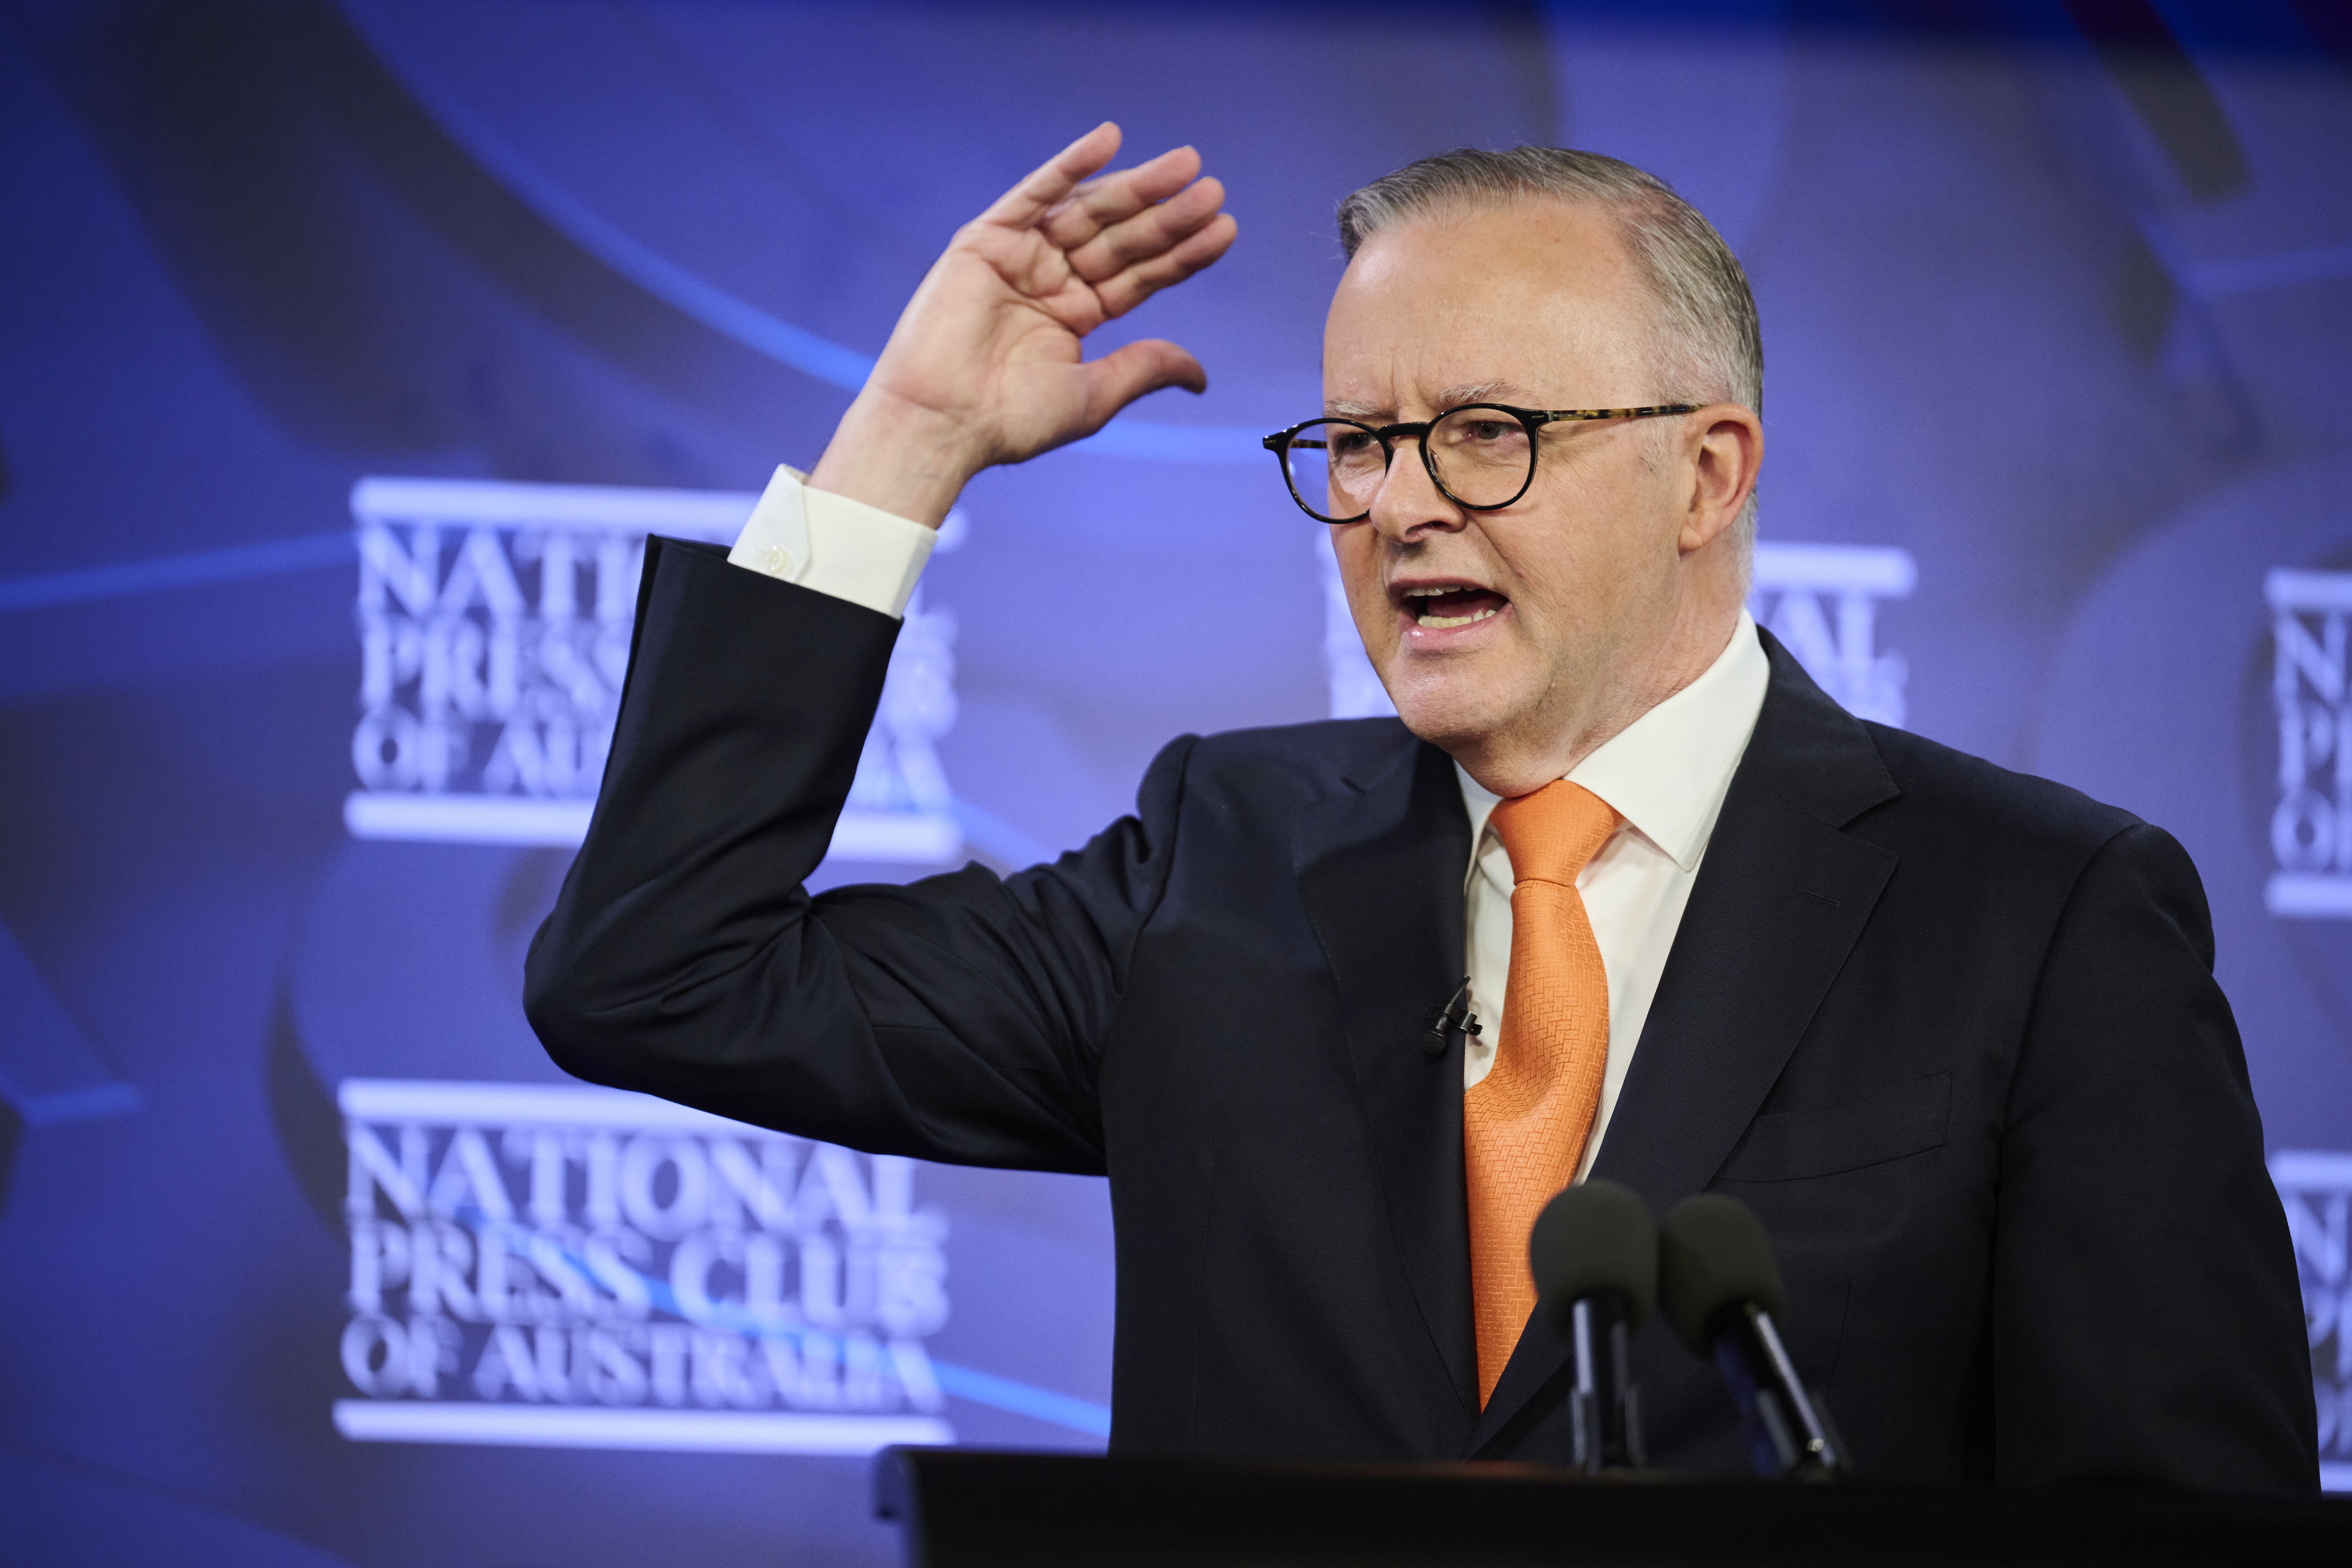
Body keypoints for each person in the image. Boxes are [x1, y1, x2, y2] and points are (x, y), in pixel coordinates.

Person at [524, 124, 2317, 1485]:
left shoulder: (2039, 917)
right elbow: (658, 975)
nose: (1397, 506)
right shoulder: (1215, 868)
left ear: (1709, 475)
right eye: (1362, 442)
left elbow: (2171, 1522)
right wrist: (906, 441)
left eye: (1487, 433)